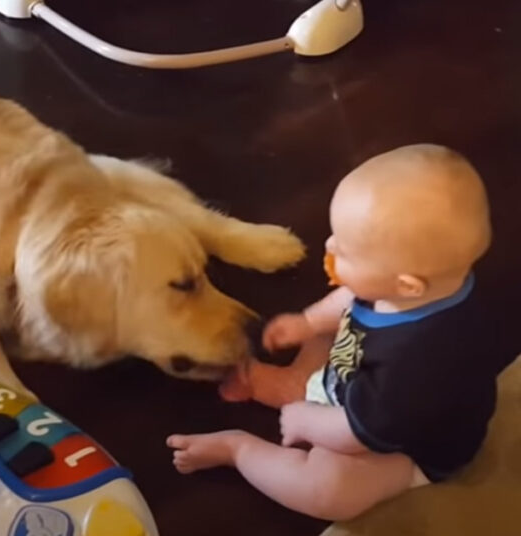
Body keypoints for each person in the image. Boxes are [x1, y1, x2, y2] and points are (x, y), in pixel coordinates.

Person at [166, 144, 510, 521]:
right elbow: (352, 295)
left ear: (407, 285)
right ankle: (295, 383)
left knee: (330, 492)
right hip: (357, 385)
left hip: (401, 445)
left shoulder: (416, 367)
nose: (329, 246)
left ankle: (238, 450)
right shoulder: (419, 286)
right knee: (327, 336)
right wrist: (309, 323)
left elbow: (356, 433)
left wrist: (305, 421)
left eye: (346, 250)